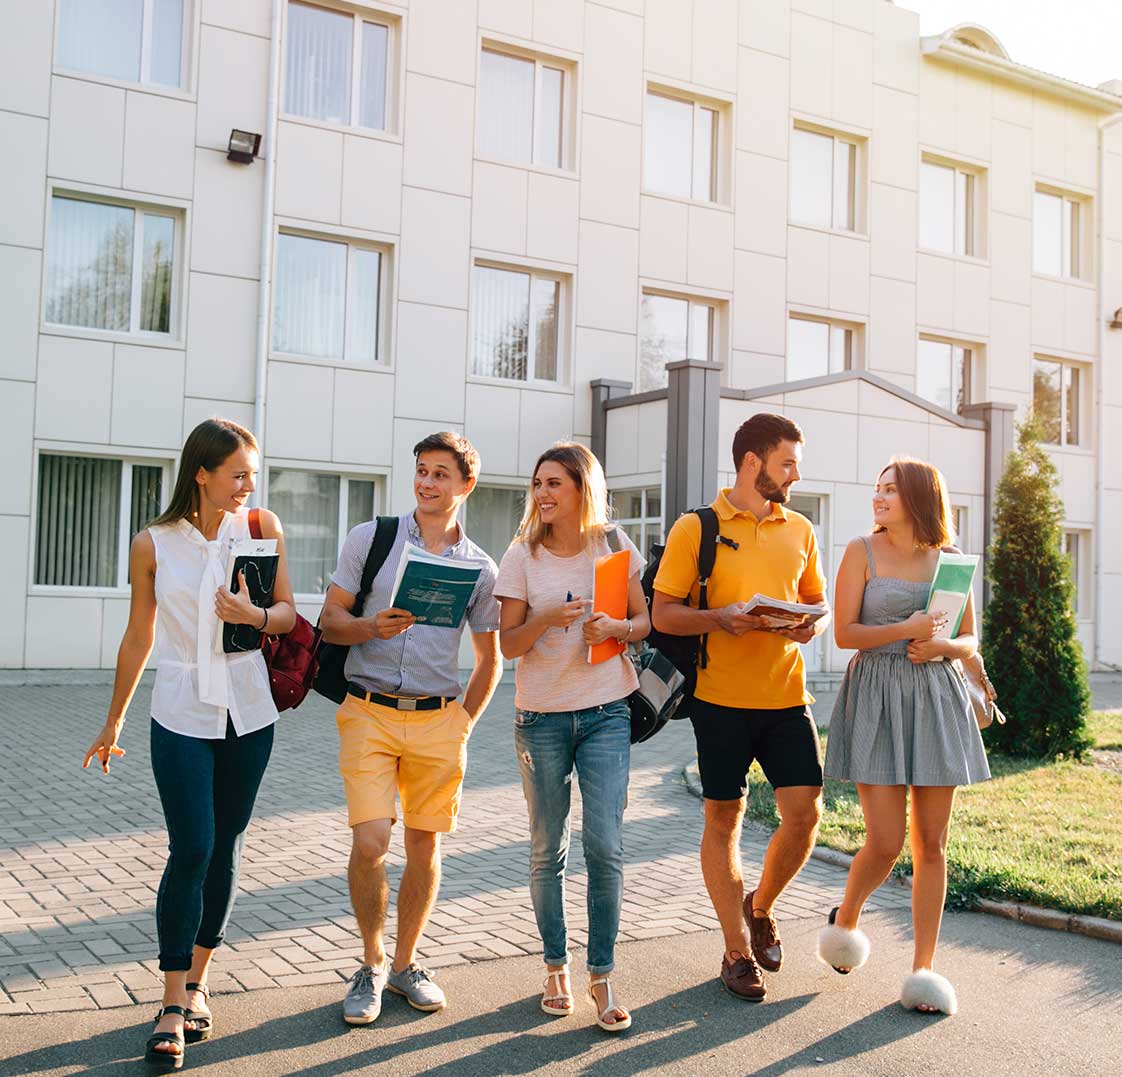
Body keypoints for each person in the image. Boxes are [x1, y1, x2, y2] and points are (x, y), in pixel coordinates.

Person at [83, 419, 296, 1071]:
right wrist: (113, 720)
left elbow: (288, 612)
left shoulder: (263, 529)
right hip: (179, 708)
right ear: (201, 472)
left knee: (227, 845)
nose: (248, 485)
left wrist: (253, 617)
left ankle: (200, 980)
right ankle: (171, 999)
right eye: (238, 473)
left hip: (250, 709)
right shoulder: (153, 543)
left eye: (253, 473)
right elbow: (137, 637)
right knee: (193, 846)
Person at [320, 431, 502, 1026]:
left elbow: (491, 657)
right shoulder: (370, 539)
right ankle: (370, 965)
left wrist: (463, 724)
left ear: (465, 485)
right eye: (421, 471)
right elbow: (329, 622)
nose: (426, 483)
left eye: (440, 474)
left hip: (436, 721)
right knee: (371, 841)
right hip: (368, 710)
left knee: (425, 846)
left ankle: (405, 965)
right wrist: (372, 628)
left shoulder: (479, 567)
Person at [651, 413, 830, 1002]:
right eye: (787, 462)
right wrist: (719, 619)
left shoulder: (799, 529)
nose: (796, 474)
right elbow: (663, 614)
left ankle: (761, 907)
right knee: (722, 821)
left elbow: (814, 599)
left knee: (805, 815)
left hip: (786, 697)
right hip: (719, 702)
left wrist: (805, 626)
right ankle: (734, 950)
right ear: (753, 462)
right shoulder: (694, 528)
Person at [817, 458, 990, 1016]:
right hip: (877, 695)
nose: (879, 498)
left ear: (918, 498)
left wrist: (941, 647)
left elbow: (970, 638)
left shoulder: (951, 564)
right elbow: (845, 634)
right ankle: (846, 919)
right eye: (877, 489)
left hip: (936, 699)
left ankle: (923, 969)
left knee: (932, 844)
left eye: (890, 490)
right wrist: (909, 629)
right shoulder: (860, 551)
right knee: (887, 841)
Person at [494, 442, 650, 1032]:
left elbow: (644, 622)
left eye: (554, 483)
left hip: (607, 710)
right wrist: (546, 620)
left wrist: (617, 627)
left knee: (605, 845)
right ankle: (555, 964)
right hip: (542, 717)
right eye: (537, 484)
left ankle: (602, 973)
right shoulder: (521, 556)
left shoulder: (612, 546)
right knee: (546, 849)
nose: (542, 494)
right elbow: (506, 645)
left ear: (582, 487)